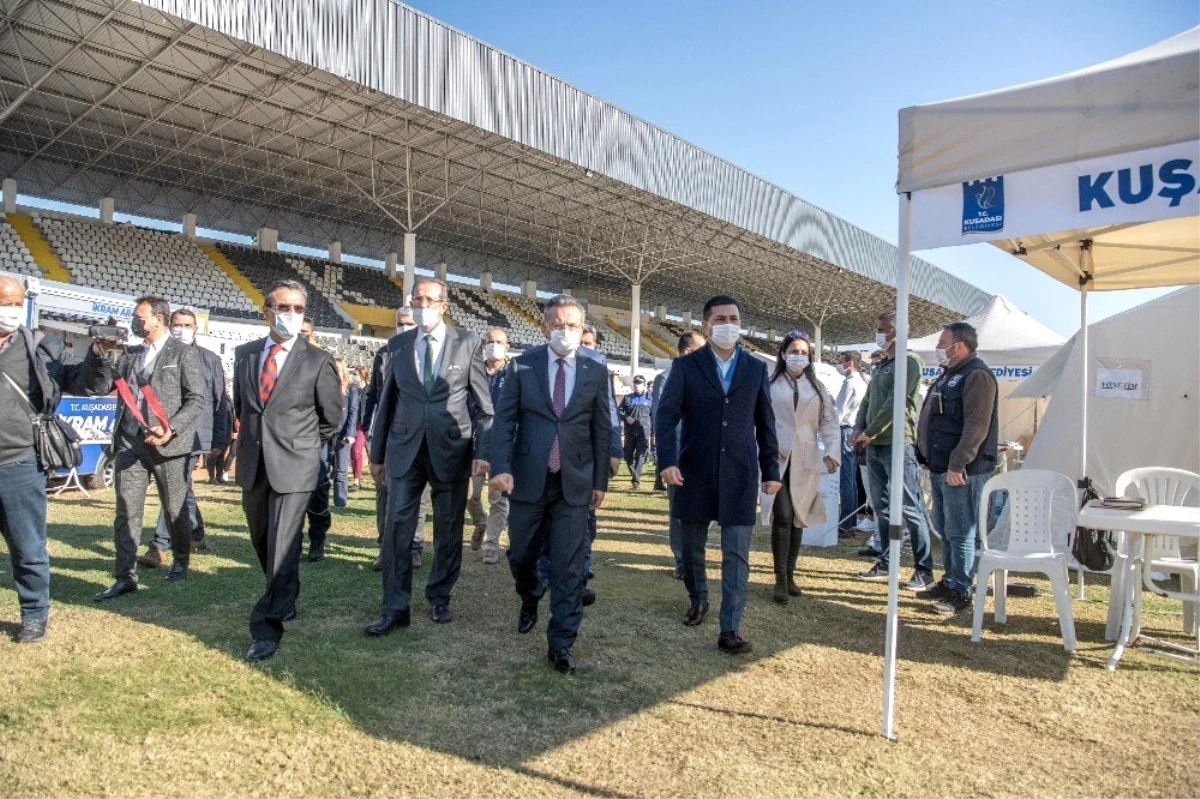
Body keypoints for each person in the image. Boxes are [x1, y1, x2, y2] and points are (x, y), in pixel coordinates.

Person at [490, 295, 613, 674]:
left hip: (574, 481)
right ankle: (529, 595)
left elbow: (601, 427)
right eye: (557, 325)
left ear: (582, 328)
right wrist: (501, 466)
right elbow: (504, 421)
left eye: (572, 325)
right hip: (528, 478)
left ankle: (561, 642)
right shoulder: (523, 366)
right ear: (545, 327)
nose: (564, 332)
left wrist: (599, 481)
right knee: (521, 556)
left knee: (569, 565)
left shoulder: (595, 368)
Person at [366, 277, 493, 634]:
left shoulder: (467, 343)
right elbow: (386, 403)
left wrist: (482, 451)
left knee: (448, 530)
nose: (422, 305)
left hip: (452, 451)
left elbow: (484, 408)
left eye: (429, 299)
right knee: (396, 530)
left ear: (444, 306)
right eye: (417, 299)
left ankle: (439, 598)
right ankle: (394, 607)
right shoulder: (398, 345)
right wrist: (377, 456)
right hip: (404, 452)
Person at [656, 295, 780, 655]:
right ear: (706, 325)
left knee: (736, 553)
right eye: (721, 318)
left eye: (735, 318)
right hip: (692, 472)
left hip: (740, 474)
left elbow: (765, 423)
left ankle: (730, 627)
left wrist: (770, 470)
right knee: (691, 548)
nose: (729, 323)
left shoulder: (756, 369)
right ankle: (698, 598)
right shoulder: (686, 367)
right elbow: (665, 417)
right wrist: (667, 460)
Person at [233, 280, 341, 662]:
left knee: (282, 545)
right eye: (284, 307)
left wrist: (303, 447)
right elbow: (242, 409)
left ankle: (268, 625)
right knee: (263, 538)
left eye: (298, 309)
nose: (291, 315)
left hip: (296, 466)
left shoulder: (317, 360)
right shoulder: (245, 355)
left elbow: (331, 419)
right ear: (267, 310)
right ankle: (285, 593)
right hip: (253, 464)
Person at [0, 274, 108, 641]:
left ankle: (34, 614)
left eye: (16, 303)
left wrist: (98, 354)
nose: (10, 311)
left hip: (19, 463)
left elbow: (86, 382)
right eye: (4, 302)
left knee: (27, 545)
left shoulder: (40, 347)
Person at [93, 295, 205, 599]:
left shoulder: (183, 353)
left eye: (140, 317)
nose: (135, 321)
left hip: (169, 445)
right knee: (127, 510)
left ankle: (181, 562)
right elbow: (104, 386)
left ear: (158, 318)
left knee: (174, 508)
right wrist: (100, 355)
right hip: (131, 443)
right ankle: (124, 575)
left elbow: (197, 399)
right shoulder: (129, 355)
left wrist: (172, 428)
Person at [915, 322, 999, 615]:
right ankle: (950, 581)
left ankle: (961, 591)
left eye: (942, 342)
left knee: (961, 531)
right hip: (940, 466)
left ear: (959, 346)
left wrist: (957, 462)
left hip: (961, 470)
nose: (939, 348)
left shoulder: (976, 375)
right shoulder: (950, 374)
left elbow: (976, 425)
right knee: (946, 529)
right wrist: (924, 454)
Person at [139, 308, 229, 566]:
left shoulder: (209, 359)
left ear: (195, 328)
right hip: (164, 431)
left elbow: (219, 400)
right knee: (183, 485)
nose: (182, 329)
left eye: (187, 324)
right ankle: (197, 533)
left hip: (196, 434)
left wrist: (219, 440)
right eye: (177, 324)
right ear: (169, 325)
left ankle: (159, 545)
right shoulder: (158, 354)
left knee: (174, 484)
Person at [852, 311, 935, 589]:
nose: (879, 334)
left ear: (899, 331)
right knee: (882, 506)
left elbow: (895, 403)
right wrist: (858, 428)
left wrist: (870, 430)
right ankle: (887, 560)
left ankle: (924, 569)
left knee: (910, 506)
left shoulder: (909, 363)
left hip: (897, 442)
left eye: (884, 329)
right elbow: (868, 399)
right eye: (878, 329)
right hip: (873, 444)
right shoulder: (882, 365)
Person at [767, 331, 839, 603]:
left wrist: (832, 453)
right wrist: (767, 443)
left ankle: (791, 574)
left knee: (799, 517)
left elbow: (829, 423)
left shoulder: (818, 389)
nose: (799, 356)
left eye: (804, 352)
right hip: (777, 457)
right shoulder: (770, 385)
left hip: (806, 458)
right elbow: (757, 419)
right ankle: (780, 579)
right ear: (783, 354)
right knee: (783, 513)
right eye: (794, 351)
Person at [362, 305, 428, 571]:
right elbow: (375, 394)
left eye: (410, 323)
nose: (405, 327)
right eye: (401, 323)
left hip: (418, 435)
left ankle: (413, 547)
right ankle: (385, 546)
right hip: (388, 433)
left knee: (418, 493)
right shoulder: (385, 352)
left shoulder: (429, 352)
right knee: (384, 491)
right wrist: (366, 426)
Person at [652, 331, 705, 578]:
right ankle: (682, 561)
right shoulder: (665, 378)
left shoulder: (706, 376)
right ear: (688, 352)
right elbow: (663, 421)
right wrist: (668, 459)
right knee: (679, 511)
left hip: (701, 454)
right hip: (679, 457)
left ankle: (695, 557)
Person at [468, 327, 511, 565]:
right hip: (475, 443)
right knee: (470, 495)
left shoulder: (513, 374)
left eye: (499, 341)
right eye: (490, 341)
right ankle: (480, 523)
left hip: (502, 444)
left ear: (507, 346)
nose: (494, 345)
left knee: (498, 498)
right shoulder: (474, 370)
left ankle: (491, 544)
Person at [297, 318, 333, 560]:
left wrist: (316, 440)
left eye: (305, 332)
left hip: (314, 443)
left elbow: (330, 411)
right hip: (284, 446)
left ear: (313, 334)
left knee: (318, 493)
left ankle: (317, 539)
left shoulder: (321, 360)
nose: (301, 335)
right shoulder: (275, 360)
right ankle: (293, 544)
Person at [834, 350, 867, 536]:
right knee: (852, 478)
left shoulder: (849, 383)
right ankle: (851, 520)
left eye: (841, 361)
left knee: (846, 478)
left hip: (845, 429)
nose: (839, 365)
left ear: (850, 363)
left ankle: (845, 522)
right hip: (855, 429)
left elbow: (839, 411)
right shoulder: (861, 382)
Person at [330, 356, 359, 510]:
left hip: (343, 434)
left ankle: (340, 502)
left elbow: (353, 412)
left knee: (341, 469)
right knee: (322, 468)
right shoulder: (325, 386)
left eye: (338, 369)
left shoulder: (351, 389)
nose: (336, 372)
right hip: (326, 433)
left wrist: (350, 433)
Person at [619, 375, 653, 489]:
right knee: (627, 455)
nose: (637, 385)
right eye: (635, 383)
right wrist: (625, 417)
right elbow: (619, 411)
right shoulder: (627, 398)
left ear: (644, 385)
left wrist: (653, 431)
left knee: (640, 456)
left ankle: (635, 481)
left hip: (644, 432)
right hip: (630, 431)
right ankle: (635, 475)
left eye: (639, 383)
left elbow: (654, 415)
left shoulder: (650, 398)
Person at [349, 366, 370, 492]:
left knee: (360, 451)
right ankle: (356, 480)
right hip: (354, 424)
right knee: (355, 452)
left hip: (365, 425)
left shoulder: (370, 389)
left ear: (362, 375)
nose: (354, 377)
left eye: (356, 374)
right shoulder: (353, 389)